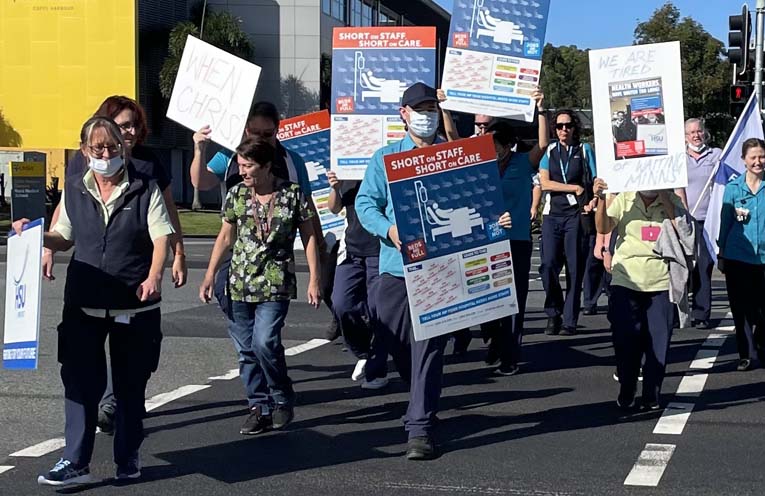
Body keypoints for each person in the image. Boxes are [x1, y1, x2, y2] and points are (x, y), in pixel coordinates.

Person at [356, 82, 513, 460]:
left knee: (429, 346)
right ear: (404, 114)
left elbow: (480, 203)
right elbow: (365, 204)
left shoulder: (457, 155)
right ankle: (420, 395)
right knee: (395, 339)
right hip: (396, 266)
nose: (425, 115)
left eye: (431, 108)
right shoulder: (385, 159)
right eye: (419, 109)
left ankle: (419, 427)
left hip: (442, 268)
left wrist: (498, 221)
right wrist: (388, 229)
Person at [16, 116, 174, 485]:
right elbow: (64, 236)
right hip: (84, 302)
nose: (106, 154)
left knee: (130, 387)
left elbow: (162, 236)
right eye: (98, 148)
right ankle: (74, 462)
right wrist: (37, 234)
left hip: (134, 305)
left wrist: (154, 276)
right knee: (78, 383)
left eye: (113, 146)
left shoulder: (144, 187)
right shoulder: (75, 188)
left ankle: (128, 457)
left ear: (124, 147)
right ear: (85, 150)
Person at [49, 96, 187, 435]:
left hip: (133, 287)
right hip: (90, 289)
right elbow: (65, 220)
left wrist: (175, 256)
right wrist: (43, 242)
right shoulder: (80, 171)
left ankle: (123, 419)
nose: (130, 132)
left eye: (133, 126)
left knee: (131, 370)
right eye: (123, 125)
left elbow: (166, 218)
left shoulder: (148, 170)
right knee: (83, 369)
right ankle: (82, 449)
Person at [199, 137, 322, 435]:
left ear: (267, 166)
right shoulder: (238, 195)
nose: (242, 172)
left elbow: (309, 238)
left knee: (264, 342)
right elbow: (226, 237)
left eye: (248, 166)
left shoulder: (292, 195)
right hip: (238, 283)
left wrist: (315, 278)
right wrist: (209, 274)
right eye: (240, 165)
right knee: (246, 350)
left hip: (274, 282)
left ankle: (281, 396)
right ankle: (259, 406)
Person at [594, 177, 685, 411]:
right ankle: (627, 385)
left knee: (658, 342)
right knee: (625, 339)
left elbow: (684, 231)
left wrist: (665, 195)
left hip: (661, 280)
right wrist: (601, 199)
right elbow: (604, 227)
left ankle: (651, 394)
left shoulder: (671, 199)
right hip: (626, 279)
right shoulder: (625, 197)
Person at [483, 90, 547, 376]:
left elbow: (543, 144)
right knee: (489, 299)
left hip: (518, 239)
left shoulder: (522, 163)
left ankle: (510, 355)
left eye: (496, 143)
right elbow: (451, 140)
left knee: (514, 301)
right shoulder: (481, 165)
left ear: (508, 144)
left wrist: (542, 110)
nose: (492, 147)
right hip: (488, 239)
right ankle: (495, 339)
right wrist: (446, 109)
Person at [327, 170, 388, 389]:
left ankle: (377, 369)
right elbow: (334, 208)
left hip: (380, 249)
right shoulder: (348, 171)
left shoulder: (382, 168)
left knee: (377, 309)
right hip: (351, 249)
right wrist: (335, 187)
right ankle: (363, 351)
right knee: (341, 303)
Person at [538, 110, 596, 335]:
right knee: (548, 265)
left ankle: (570, 320)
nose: (564, 130)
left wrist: (593, 201)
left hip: (576, 215)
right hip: (553, 214)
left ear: (574, 128)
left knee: (575, 267)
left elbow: (596, 179)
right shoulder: (550, 151)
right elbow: (544, 183)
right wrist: (574, 187)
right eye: (560, 126)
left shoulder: (584, 150)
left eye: (568, 125)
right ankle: (554, 311)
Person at [717, 138, 765, 371]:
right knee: (741, 308)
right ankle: (746, 353)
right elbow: (725, 221)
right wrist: (722, 251)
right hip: (738, 257)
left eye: (762, 156)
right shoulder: (733, 188)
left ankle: (761, 344)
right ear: (744, 160)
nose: (758, 161)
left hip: (764, 257)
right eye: (753, 157)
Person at [675, 118, 722, 329]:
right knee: (682, 266)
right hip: (684, 219)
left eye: (699, 131)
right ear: (685, 136)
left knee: (704, 266)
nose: (696, 135)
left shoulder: (716, 155)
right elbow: (677, 186)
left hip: (708, 219)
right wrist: (683, 211)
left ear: (705, 133)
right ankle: (678, 312)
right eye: (691, 132)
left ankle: (701, 313)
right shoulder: (679, 158)